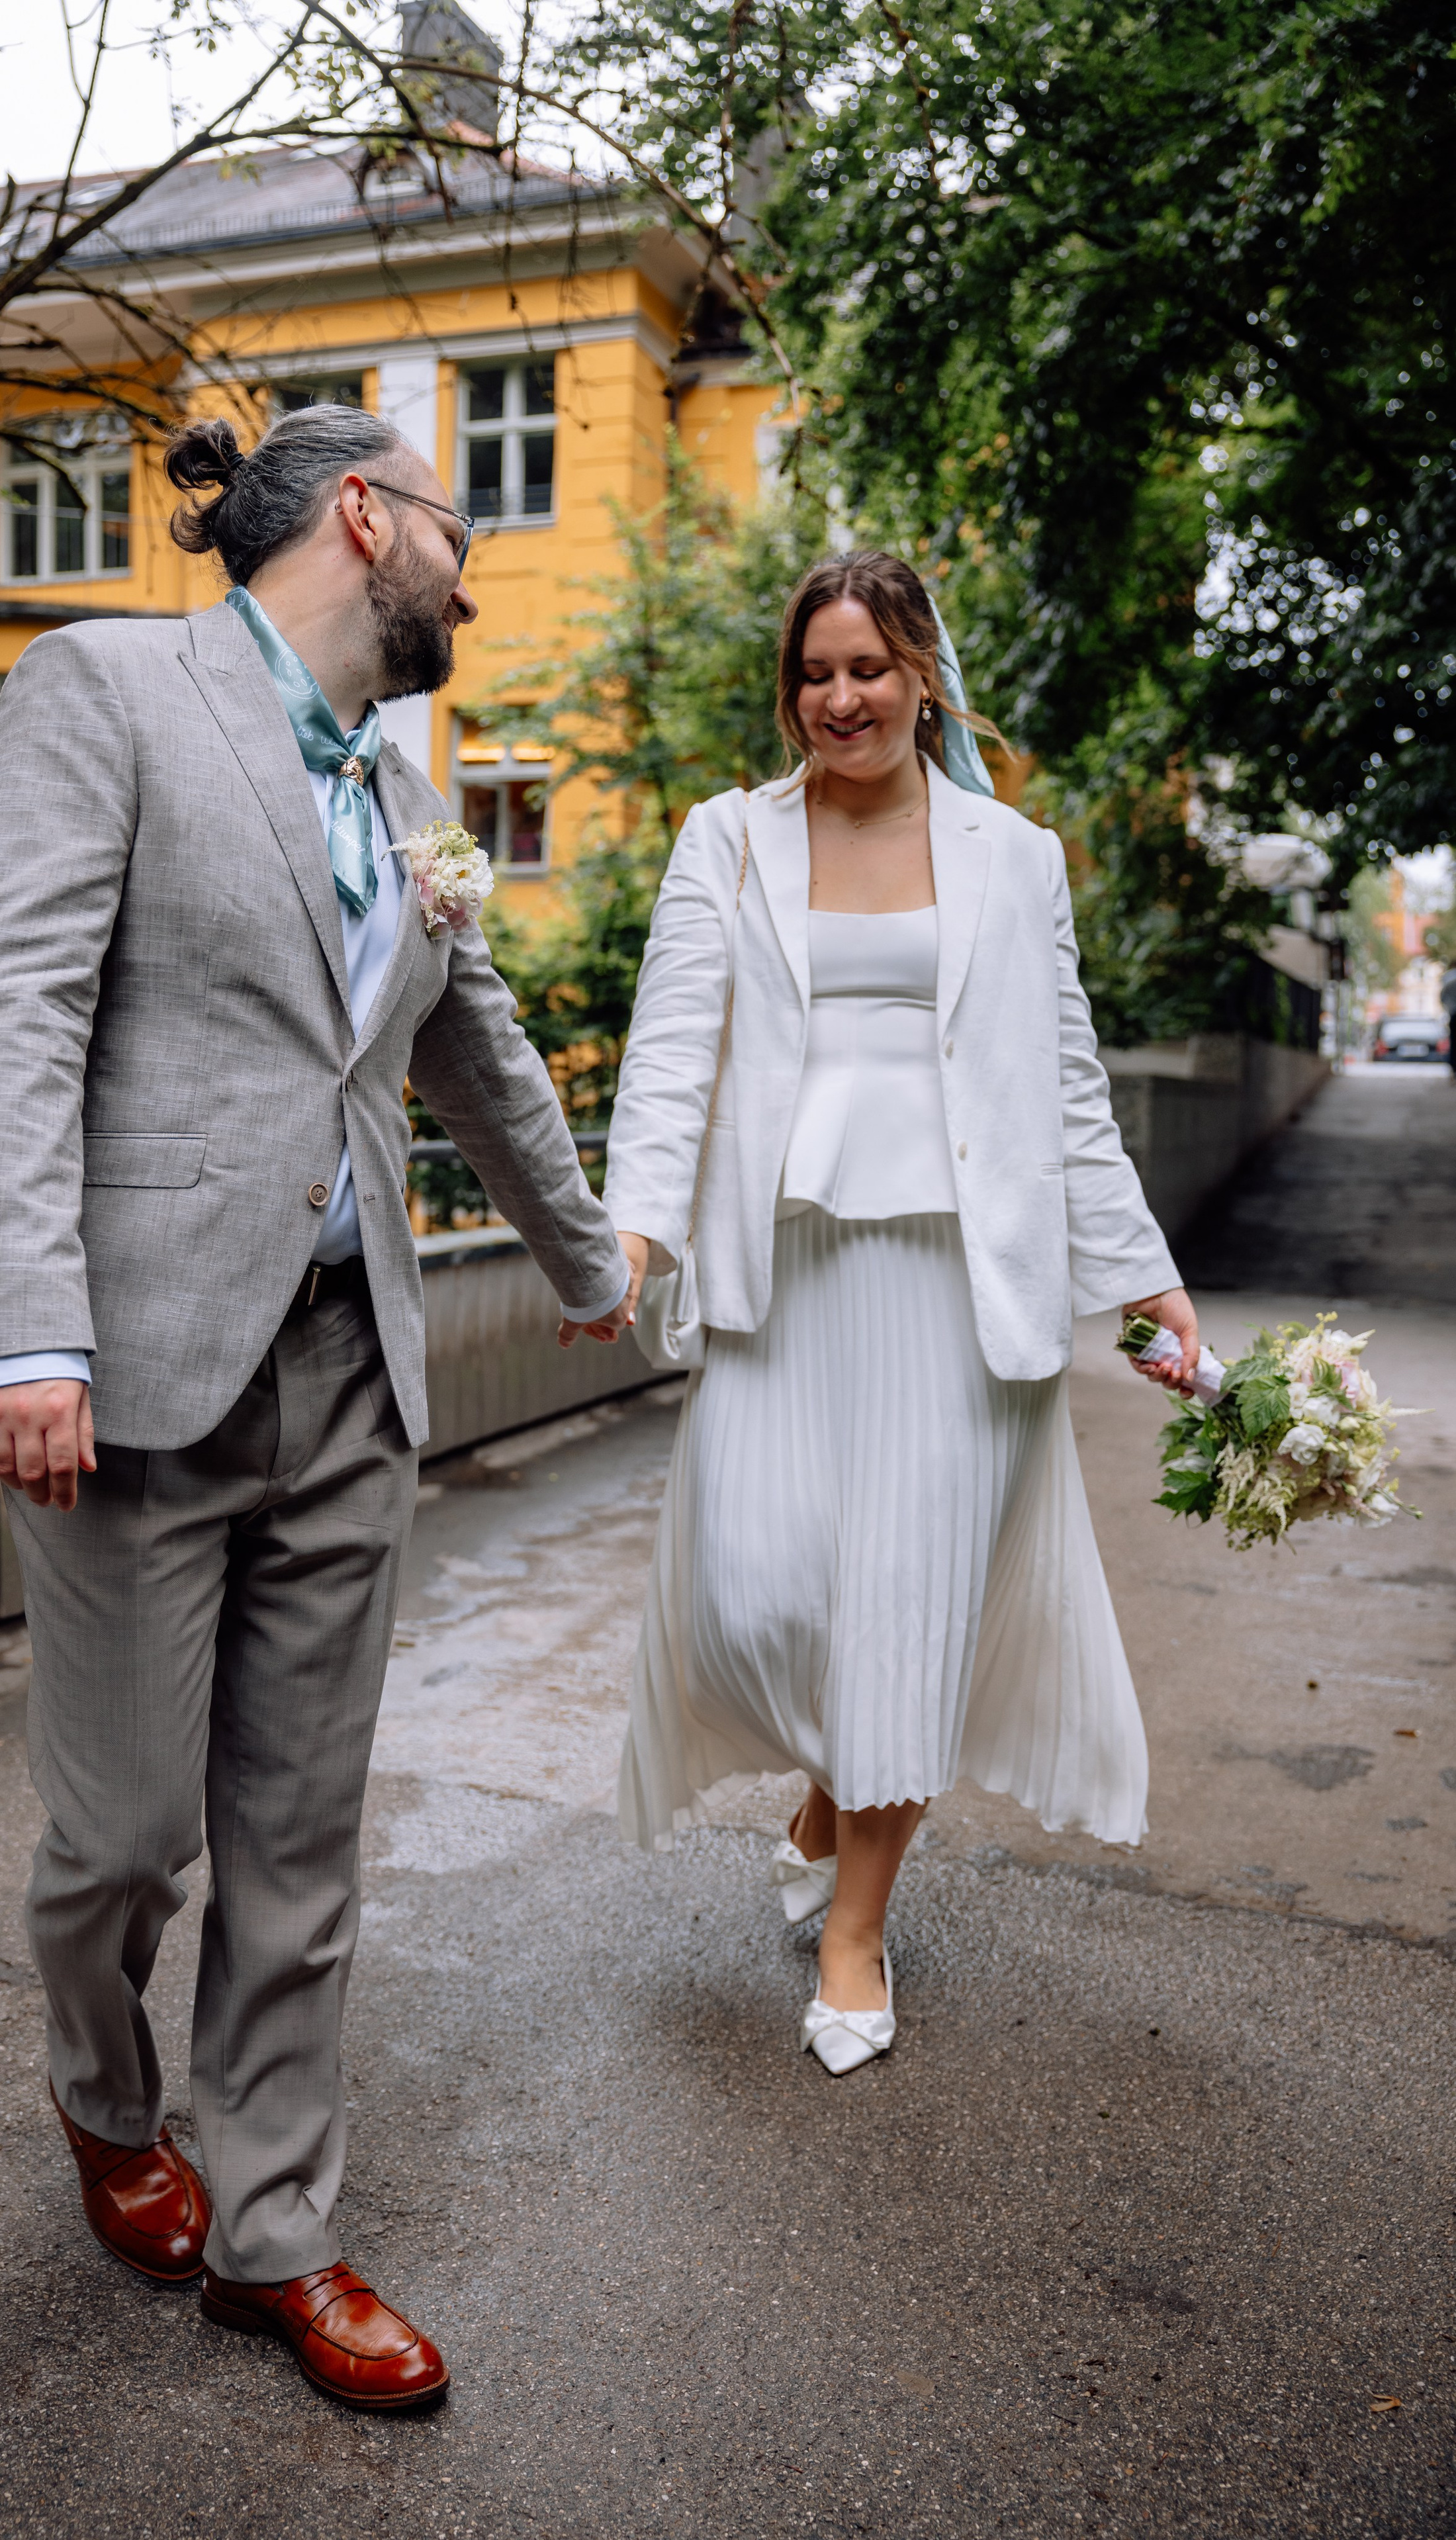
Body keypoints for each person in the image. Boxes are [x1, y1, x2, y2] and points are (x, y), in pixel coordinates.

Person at [0, 404, 630, 2404]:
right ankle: (100, 2088)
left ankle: (275, 2234)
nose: (471, 569)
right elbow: (13, 1008)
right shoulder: (109, 685)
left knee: (302, 1843)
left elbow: (476, 1053)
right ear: (362, 517)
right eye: (451, 523)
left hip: (348, 1367)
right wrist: (23, 1334)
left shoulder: (401, 786)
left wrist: (595, 1266)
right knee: (129, 1834)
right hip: (130, 1368)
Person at [602, 551, 1199, 2075]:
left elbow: (1063, 1093)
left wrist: (1144, 1276)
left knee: (905, 1611)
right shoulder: (725, 841)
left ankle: (857, 1923)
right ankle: (827, 1785)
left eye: (866, 667)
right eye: (813, 672)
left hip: (953, 1285)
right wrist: (630, 1233)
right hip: (782, 1270)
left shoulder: (1014, 857)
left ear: (920, 673)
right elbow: (671, 1051)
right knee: (756, 1590)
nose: (837, 698)